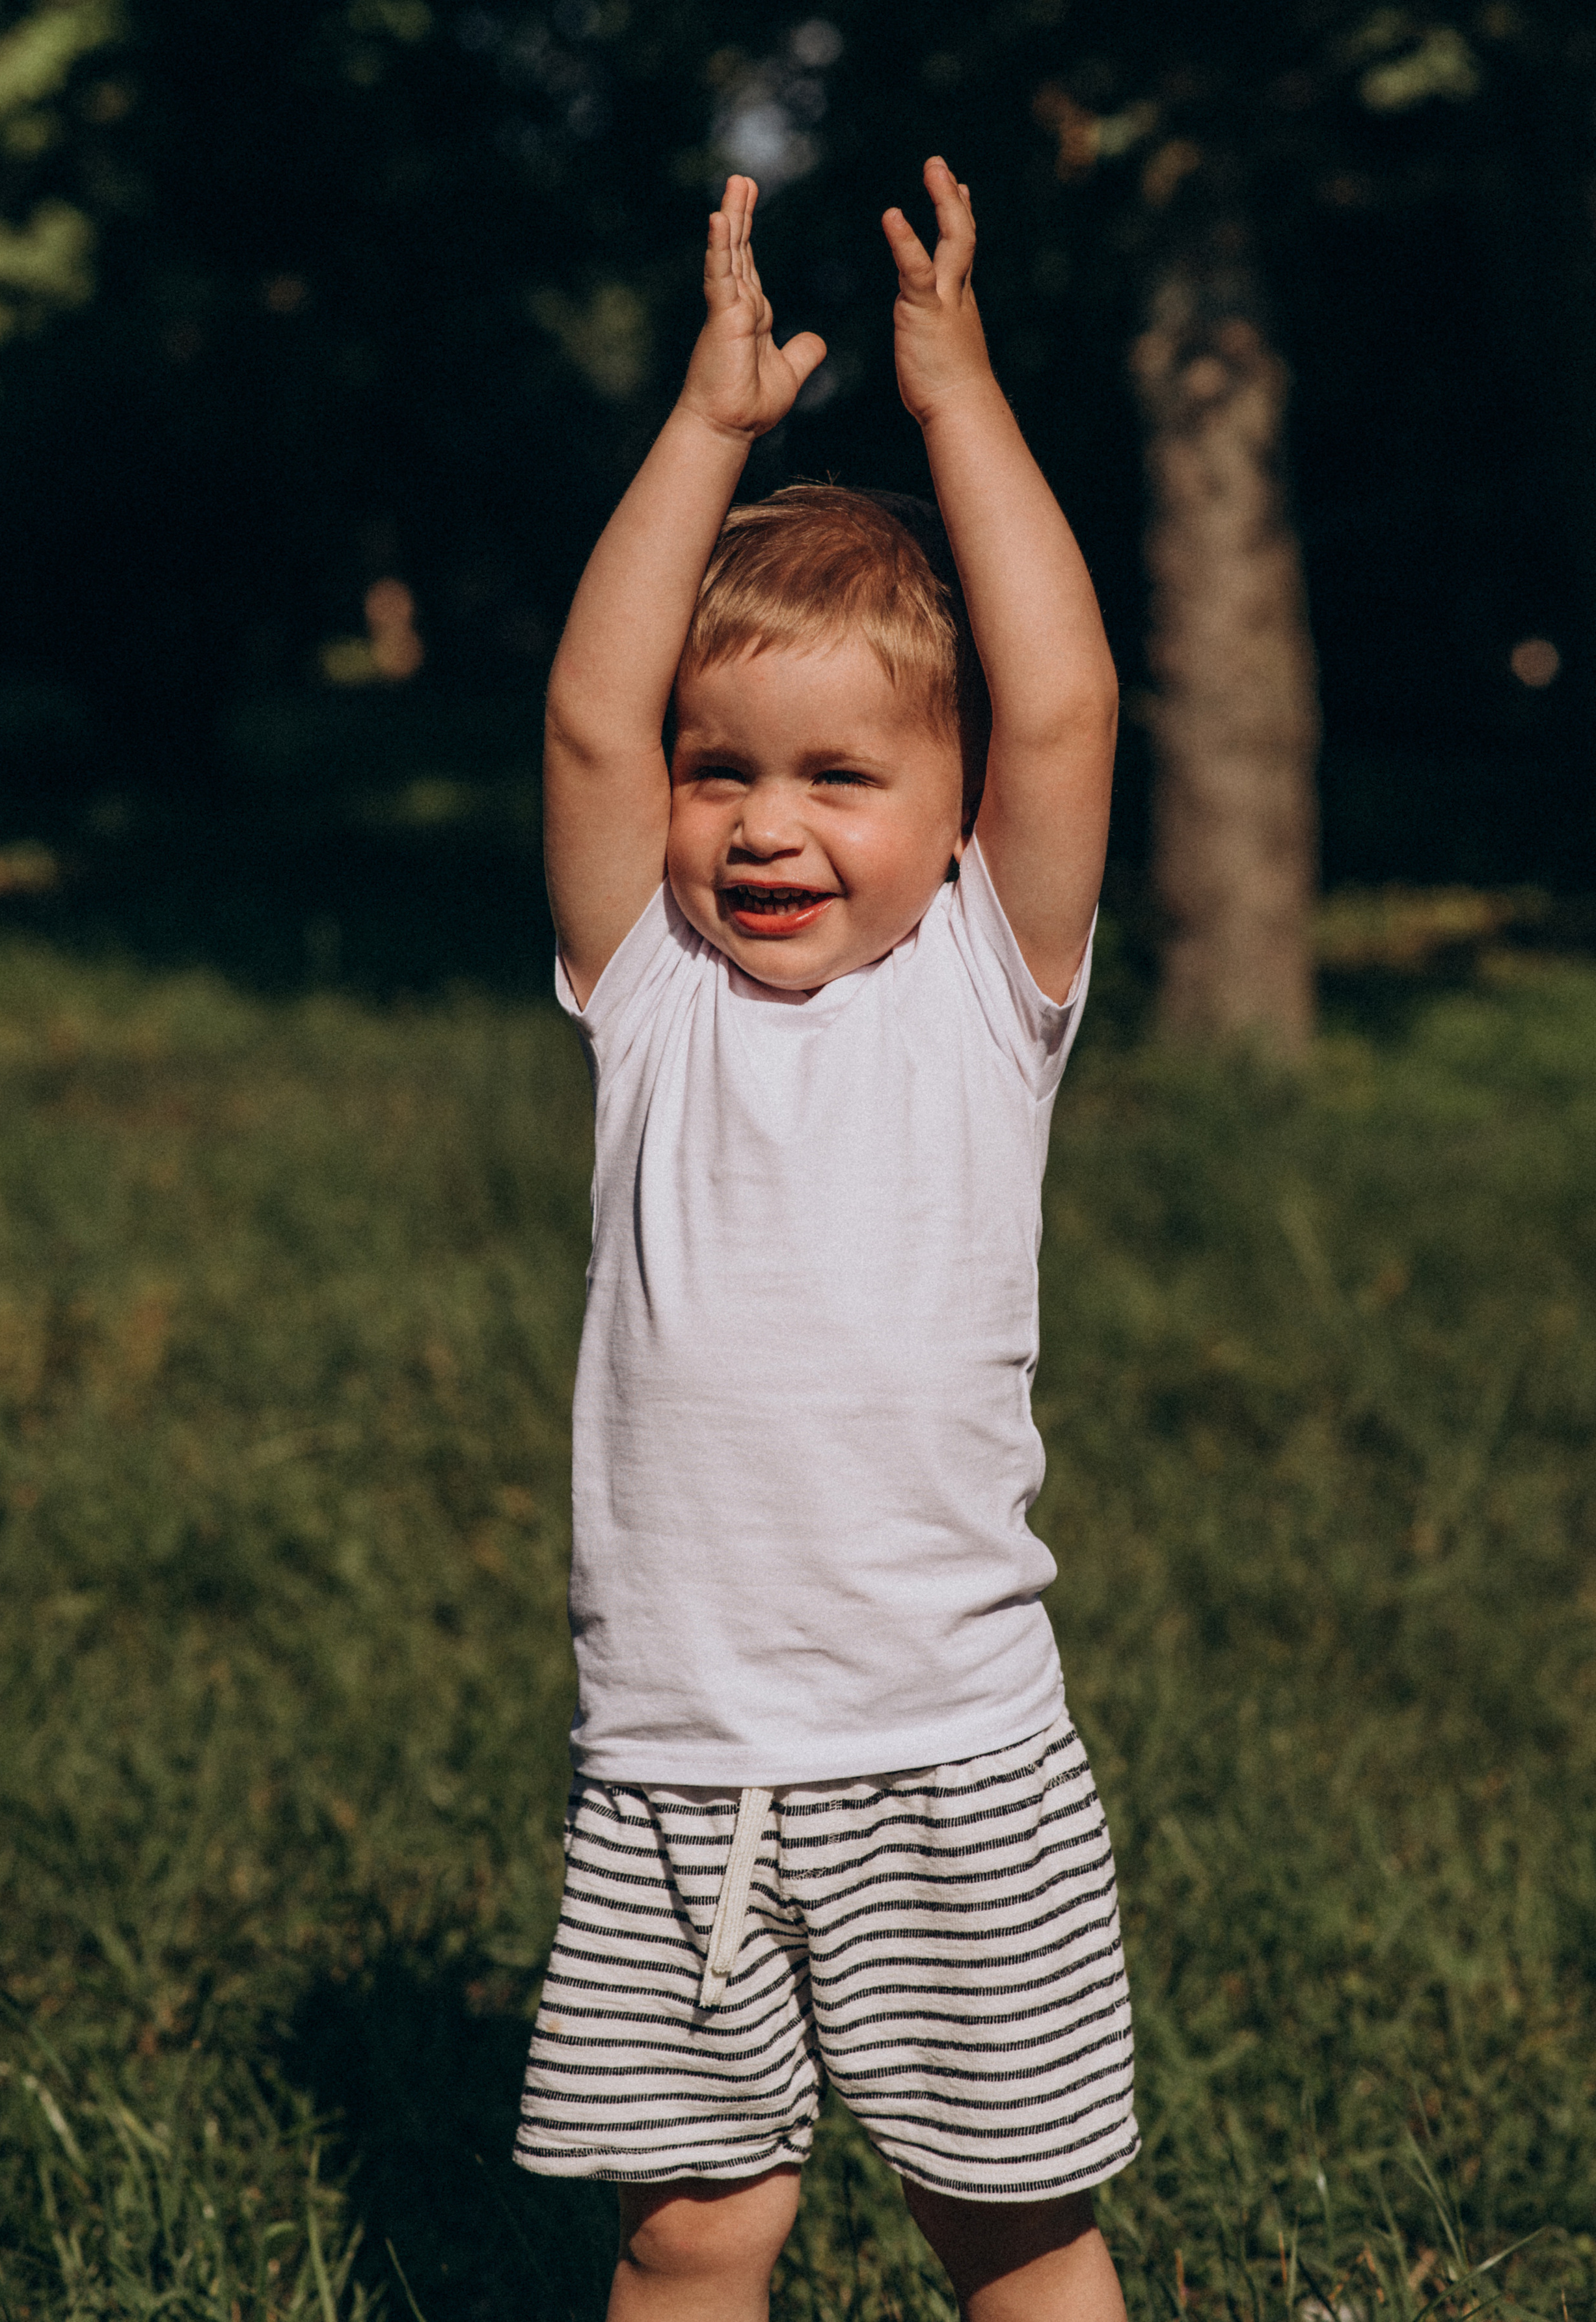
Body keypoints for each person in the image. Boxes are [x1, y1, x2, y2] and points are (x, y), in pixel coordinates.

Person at [513, 157, 1133, 2322]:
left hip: (950, 1741)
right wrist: (705, 433)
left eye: (838, 777)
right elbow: (593, 714)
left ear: (957, 819)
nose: (764, 822)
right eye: (721, 772)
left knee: (1015, 2223)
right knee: (692, 2232)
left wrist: (955, 399)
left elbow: (1063, 706)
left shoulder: (985, 990)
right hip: (678, 1754)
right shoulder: (651, 993)